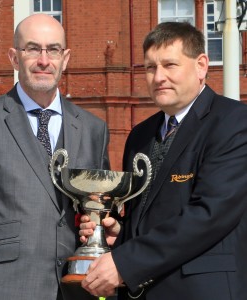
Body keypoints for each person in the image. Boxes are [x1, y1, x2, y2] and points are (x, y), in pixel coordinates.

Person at [79, 22, 247, 300]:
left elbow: (209, 214)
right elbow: (148, 214)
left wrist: (126, 262)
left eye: (170, 65)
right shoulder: (140, 136)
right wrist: (120, 235)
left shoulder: (233, 123)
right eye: (150, 67)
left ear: (201, 65)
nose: (158, 77)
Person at [0, 14, 110, 300]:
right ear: (14, 57)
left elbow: (98, 210)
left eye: (54, 50)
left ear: (66, 58)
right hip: (5, 289)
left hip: (77, 290)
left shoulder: (93, 129)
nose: (44, 60)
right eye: (32, 49)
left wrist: (98, 222)